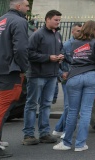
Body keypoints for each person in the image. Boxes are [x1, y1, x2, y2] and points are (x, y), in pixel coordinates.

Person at [53, 20, 95, 152]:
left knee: (72, 111)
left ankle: (66, 143)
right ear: (94, 30)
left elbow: (70, 59)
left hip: (74, 76)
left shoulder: (74, 43)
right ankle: (80, 144)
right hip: (92, 76)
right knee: (86, 111)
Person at [0, 0, 30, 159]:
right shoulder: (19, 22)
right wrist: (23, 68)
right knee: (2, 109)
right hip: (8, 72)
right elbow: (21, 48)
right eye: (27, 5)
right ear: (18, 6)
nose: (28, 8)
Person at [22, 10, 63, 145]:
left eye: (59, 20)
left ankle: (44, 133)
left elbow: (60, 50)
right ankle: (28, 135)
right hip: (37, 75)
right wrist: (48, 58)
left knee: (46, 105)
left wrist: (60, 57)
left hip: (52, 75)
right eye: (56, 20)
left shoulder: (57, 34)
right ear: (47, 19)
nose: (58, 22)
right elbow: (29, 53)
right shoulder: (37, 34)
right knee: (32, 105)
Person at [52, 24, 82, 139]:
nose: (80, 33)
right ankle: (65, 130)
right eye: (78, 31)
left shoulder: (82, 44)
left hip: (77, 76)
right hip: (67, 77)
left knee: (72, 105)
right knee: (69, 105)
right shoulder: (67, 45)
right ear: (73, 32)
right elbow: (57, 61)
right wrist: (61, 74)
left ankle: (58, 128)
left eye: (81, 31)